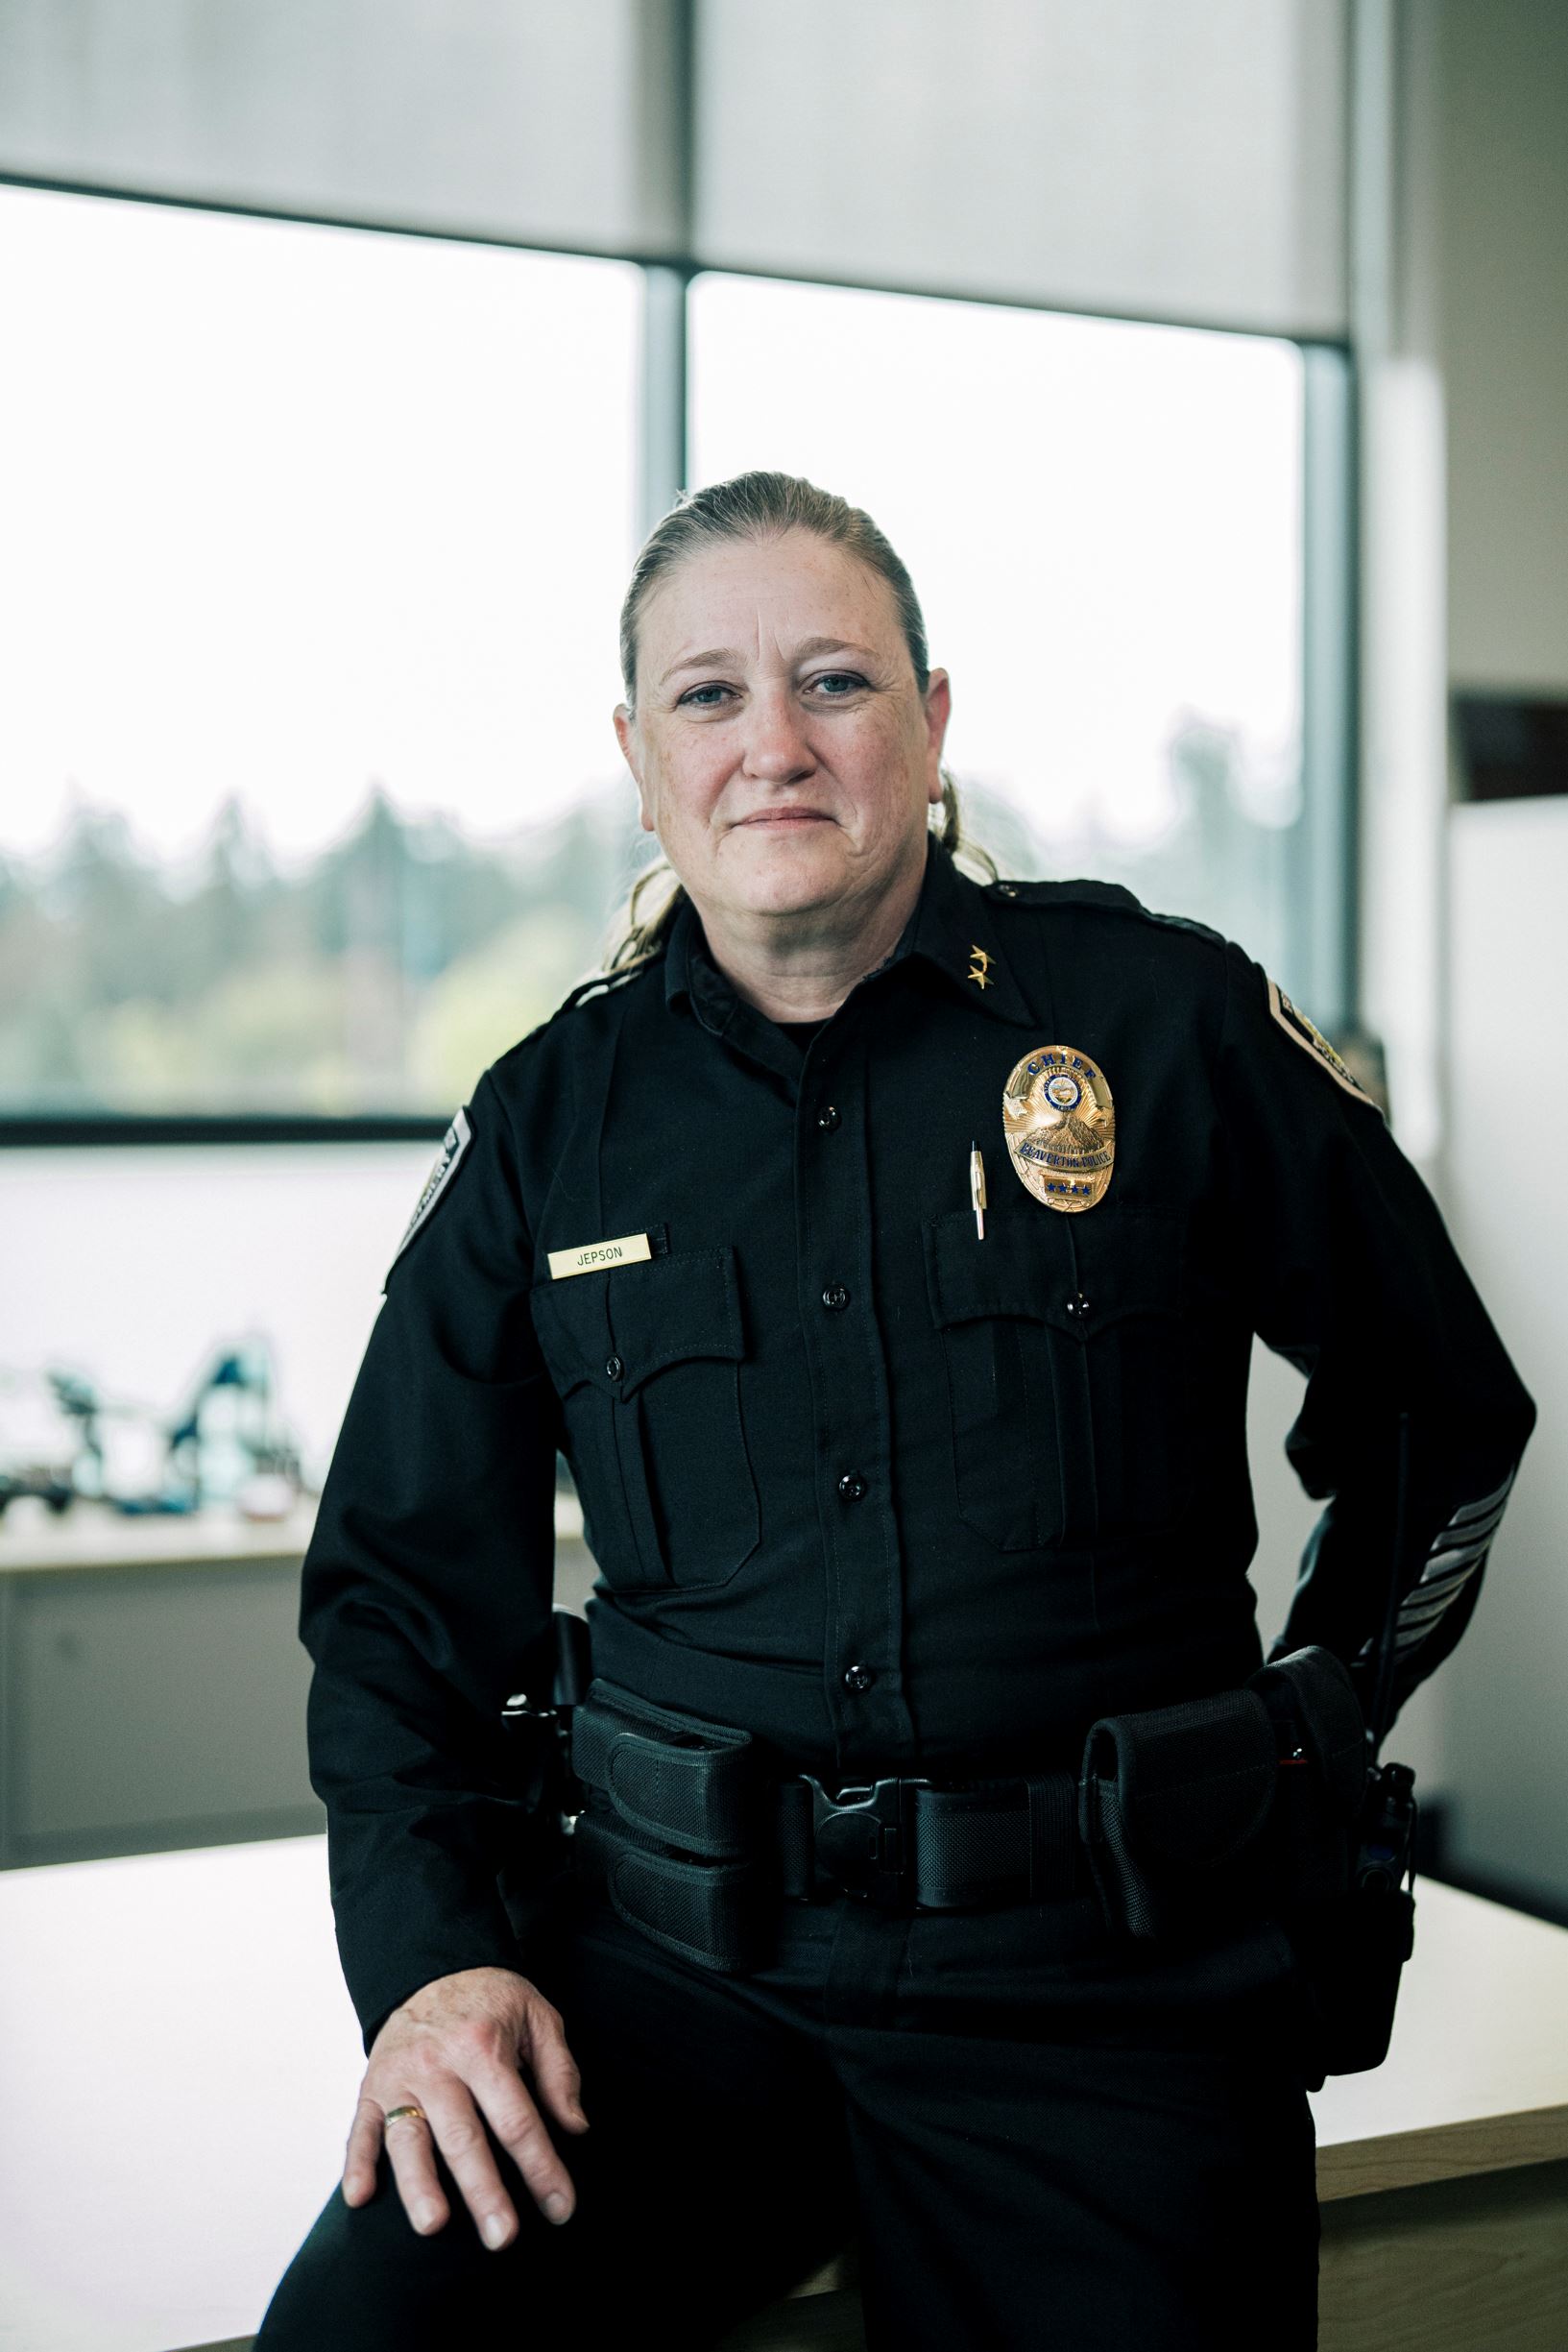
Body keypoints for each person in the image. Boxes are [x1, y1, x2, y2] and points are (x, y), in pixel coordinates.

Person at [256, 472, 1534, 2350]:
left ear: (931, 724)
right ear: (639, 759)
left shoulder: (1163, 1026)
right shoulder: (549, 1122)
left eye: (834, 681)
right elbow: (395, 1601)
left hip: (1104, 1994)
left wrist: (1312, 1720)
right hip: (667, 1982)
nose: (771, 742)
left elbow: (1442, 1411)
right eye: (707, 695)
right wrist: (432, 1961)